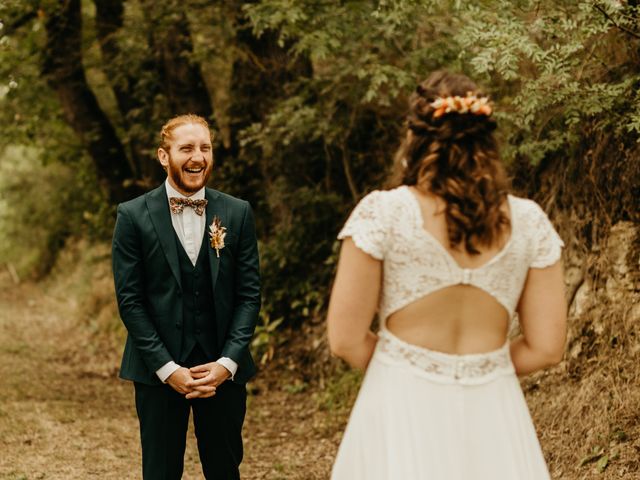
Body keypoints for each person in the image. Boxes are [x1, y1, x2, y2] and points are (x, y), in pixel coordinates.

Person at [327, 71, 566, 479]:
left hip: (399, 405)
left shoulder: (383, 213)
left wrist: (403, 367)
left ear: (413, 137)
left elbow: (345, 340)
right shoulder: (530, 221)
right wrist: (484, 368)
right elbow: (546, 349)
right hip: (494, 407)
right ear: (488, 140)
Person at [112, 114, 260, 479]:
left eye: (205, 147)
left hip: (221, 369)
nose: (198, 157)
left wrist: (227, 363)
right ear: (164, 156)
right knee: (160, 472)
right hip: (157, 370)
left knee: (225, 469)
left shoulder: (237, 212)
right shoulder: (132, 216)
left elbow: (248, 295)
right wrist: (167, 369)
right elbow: (130, 301)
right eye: (187, 148)